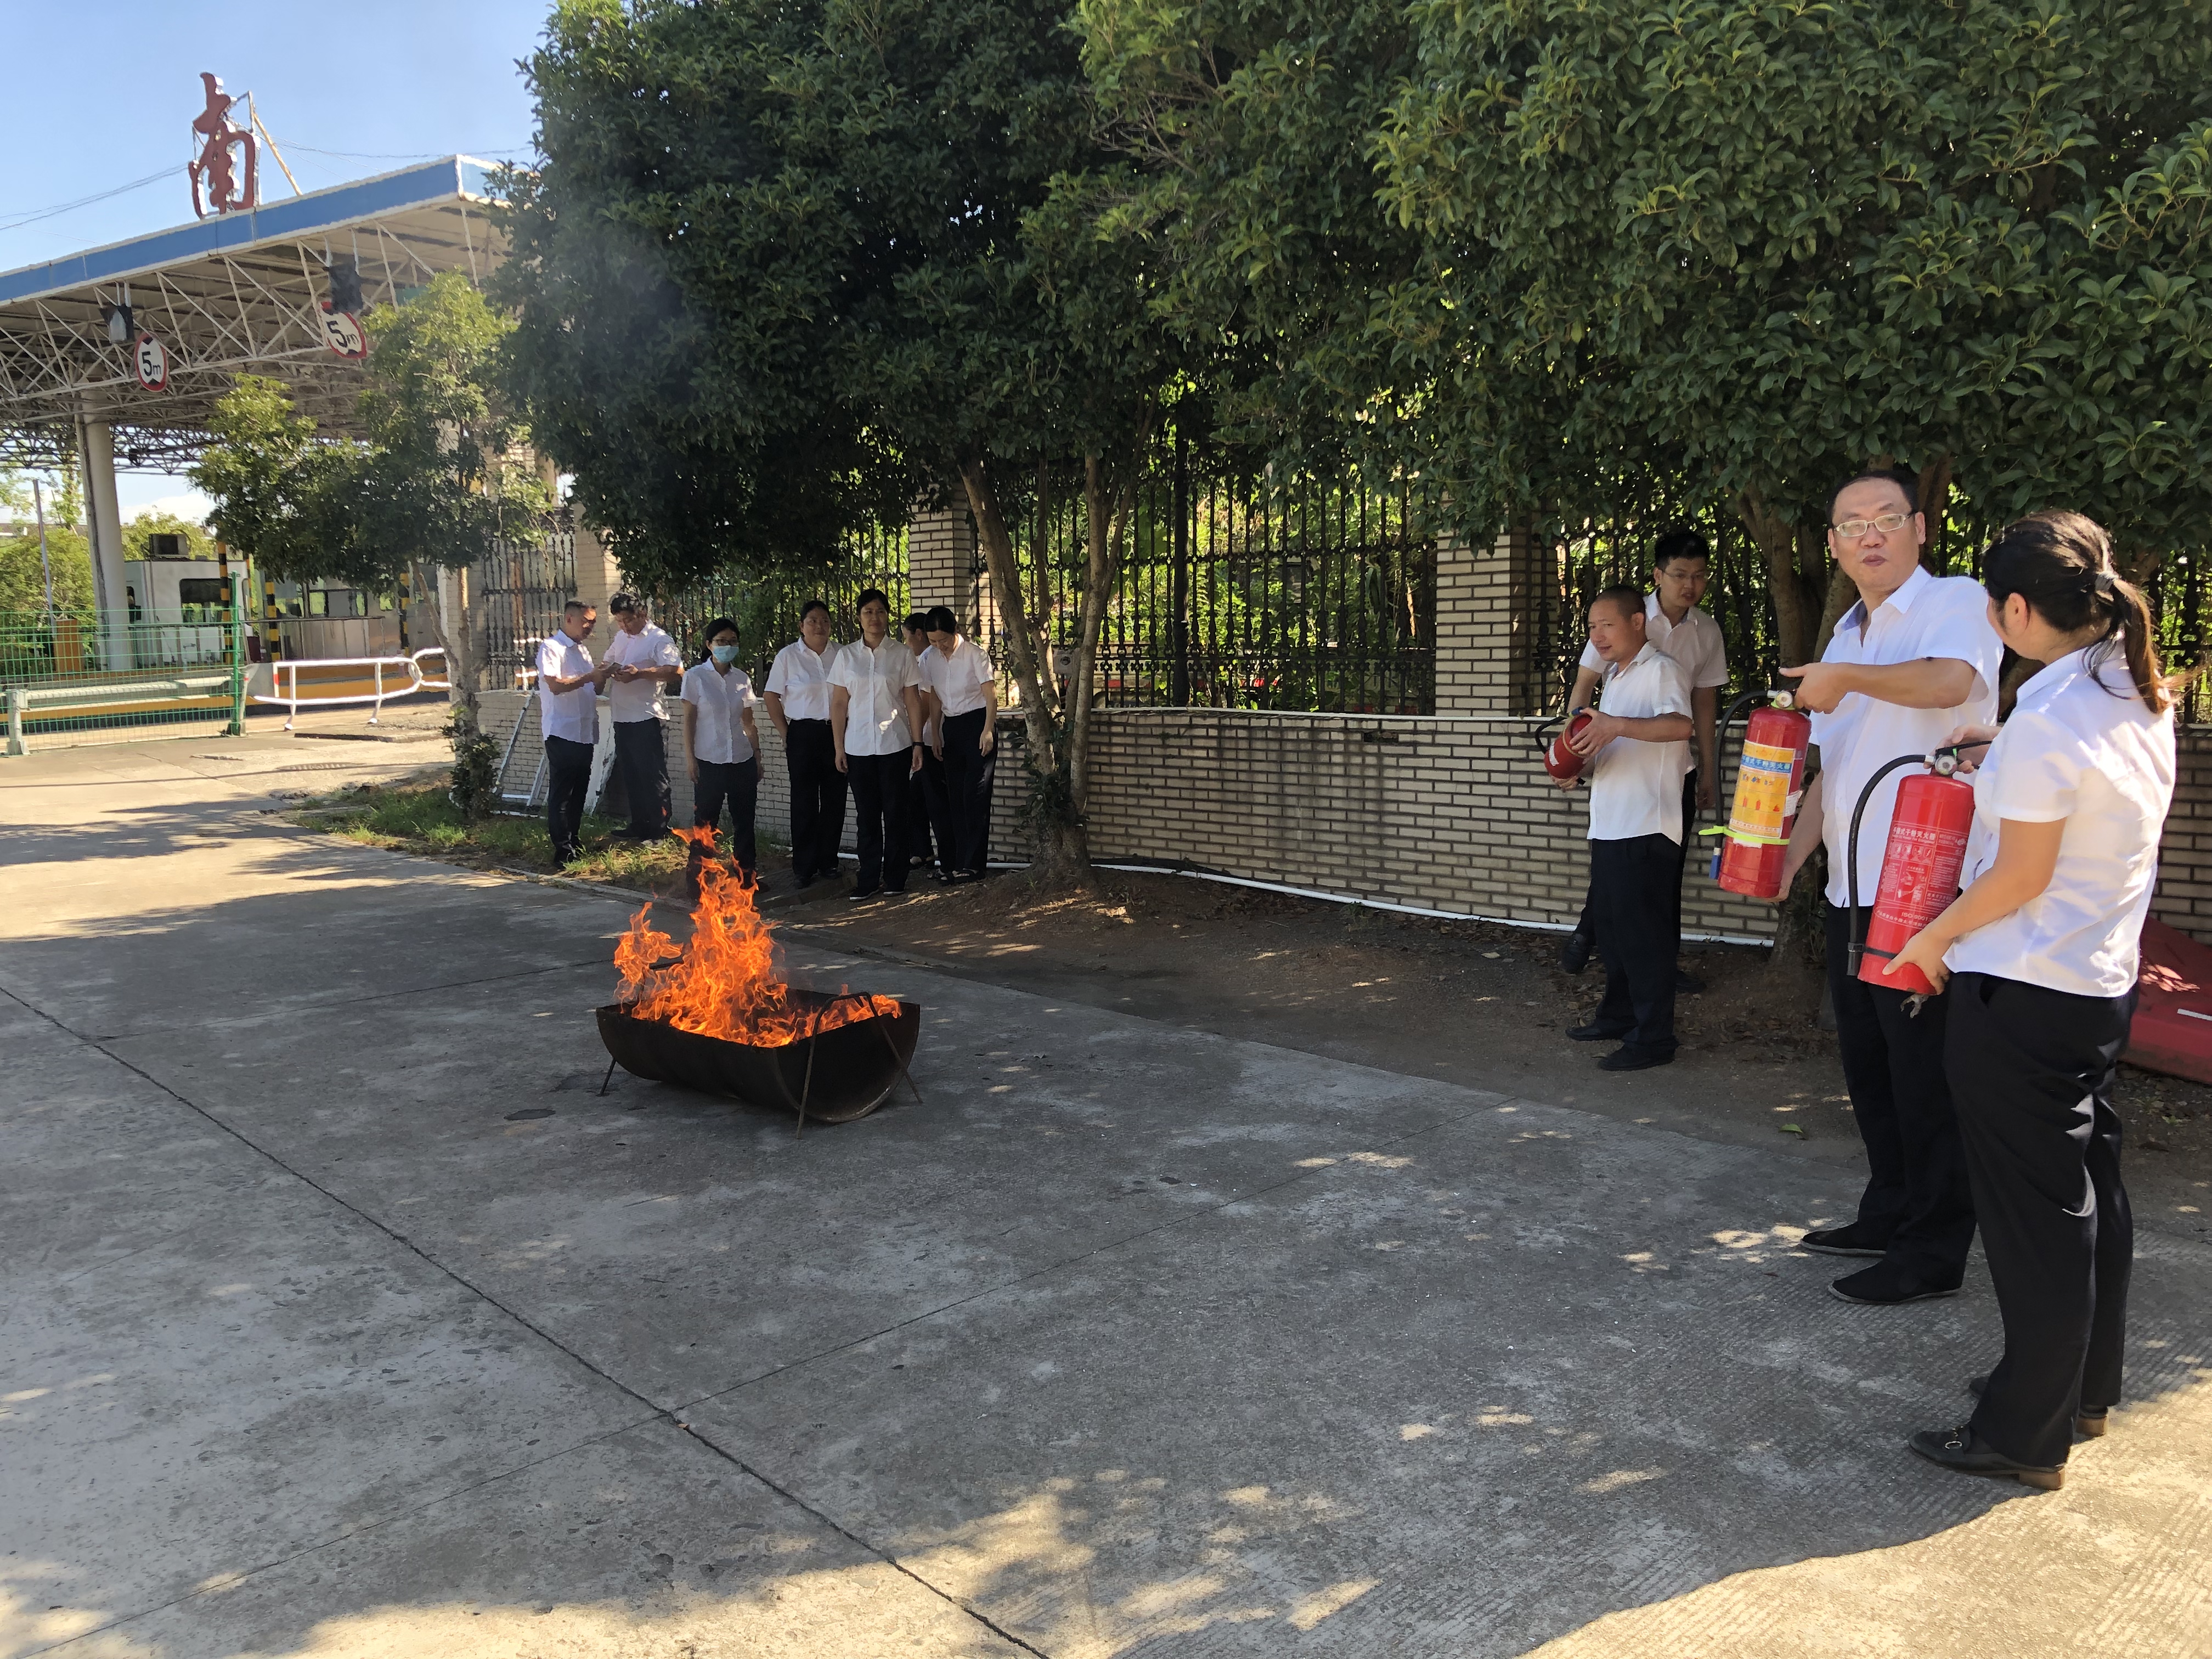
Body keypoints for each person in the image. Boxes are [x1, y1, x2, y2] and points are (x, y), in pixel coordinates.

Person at [1878, 512, 2175, 1490]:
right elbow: (2068, 791)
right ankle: (2082, 1387)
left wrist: (1932, 936)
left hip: (2021, 988)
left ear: (2013, 608)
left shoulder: (2048, 720)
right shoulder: (2134, 690)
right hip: (2095, 981)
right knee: (2088, 1187)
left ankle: (2022, 1428)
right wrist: (1995, 745)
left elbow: (2020, 872)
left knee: (2035, 1217)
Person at [1773, 465, 2004, 1306]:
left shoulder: (1956, 602)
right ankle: (1889, 1209)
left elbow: (1953, 685)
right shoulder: (1845, 635)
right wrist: (1793, 860)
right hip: (1853, 888)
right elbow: (1833, 768)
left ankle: (1934, 1250)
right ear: (1834, 544)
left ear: (1920, 527)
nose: (1869, 535)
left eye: (1885, 518)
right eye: (1851, 524)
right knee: (1870, 1066)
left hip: (1925, 888)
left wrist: (1851, 682)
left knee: (1923, 1074)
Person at [1559, 531, 1728, 985]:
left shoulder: (1706, 631)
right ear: (1658, 575)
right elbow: (1583, 690)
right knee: (1619, 868)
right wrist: (1574, 748)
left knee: (1660, 874)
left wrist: (1709, 770)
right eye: (1678, 575)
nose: (1689, 585)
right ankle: (1593, 943)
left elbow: (1703, 707)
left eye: (1698, 576)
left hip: (1674, 769)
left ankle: (1657, 970)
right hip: (1623, 768)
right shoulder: (1620, 619)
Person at [1555, 586, 1695, 1071]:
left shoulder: (1662, 670)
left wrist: (1616, 725)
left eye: (1606, 625)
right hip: (1611, 824)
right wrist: (1580, 769)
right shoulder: (1614, 678)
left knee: (1644, 938)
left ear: (1638, 621)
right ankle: (1617, 1016)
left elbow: (1681, 726)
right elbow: (1613, 746)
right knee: (1613, 935)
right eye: (1592, 627)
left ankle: (1654, 1039)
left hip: (1647, 826)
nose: (1597, 636)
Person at [829, 588, 926, 901]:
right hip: (857, 748)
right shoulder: (847, 656)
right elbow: (840, 703)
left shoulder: (901, 654)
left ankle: (896, 878)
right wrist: (839, 747)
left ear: (888, 616)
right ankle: (868, 878)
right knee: (867, 815)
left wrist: (917, 742)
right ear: (859, 617)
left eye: (881, 611)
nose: (875, 617)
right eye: (868, 611)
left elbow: (912, 700)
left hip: (894, 745)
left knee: (896, 813)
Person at [764, 600, 845, 889]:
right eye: (813, 621)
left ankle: (829, 862)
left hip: (836, 734)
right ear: (802, 626)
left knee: (835, 800)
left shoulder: (842, 654)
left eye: (824, 620)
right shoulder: (788, 657)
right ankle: (804, 867)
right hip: (802, 734)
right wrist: (785, 732)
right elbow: (771, 696)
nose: (819, 626)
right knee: (804, 802)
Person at [680, 616, 764, 884]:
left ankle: (746, 878)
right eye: (721, 642)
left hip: (741, 759)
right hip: (709, 761)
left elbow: (748, 721)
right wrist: (690, 759)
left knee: (744, 824)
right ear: (709, 644)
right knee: (706, 825)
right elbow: (689, 719)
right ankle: (699, 881)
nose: (727, 646)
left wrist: (757, 755)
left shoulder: (742, 678)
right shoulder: (695, 677)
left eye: (732, 642)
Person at [535, 599, 616, 865]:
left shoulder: (582, 651)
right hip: (562, 730)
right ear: (569, 619)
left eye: (593, 622)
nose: (590, 627)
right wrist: (590, 677)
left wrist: (602, 676)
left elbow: (594, 690)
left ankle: (574, 838)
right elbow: (556, 686)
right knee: (562, 793)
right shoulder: (552, 648)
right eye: (586, 622)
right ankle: (562, 849)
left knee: (580, 790)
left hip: (585, 731)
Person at [923, 605, 998, 882]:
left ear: (955, 631)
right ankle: (954, 862)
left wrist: (988, 730)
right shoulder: (930, 658)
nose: (939, 646)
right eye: (933, 641)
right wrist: (935, 733)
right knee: (955, 797)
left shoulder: (975, 655)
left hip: (978, 723)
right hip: (951, 727)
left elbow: (991, 696)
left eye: (943, 640)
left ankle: (974, 865)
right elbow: (934, 698)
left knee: (974, 796)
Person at [600, 591, 683, 841]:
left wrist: (639, 674)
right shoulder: (621, 637)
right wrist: (612, 670)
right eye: (619, 621)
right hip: (623, 717)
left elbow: (675, 670)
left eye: (628, 620)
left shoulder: (658, 639)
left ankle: (660, 829)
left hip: (646, 716)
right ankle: (638, 824)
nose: (625, 626)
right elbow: (607, 662)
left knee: (652, 775)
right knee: (632, 775)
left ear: (642, 614)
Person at [901, 612, 956, 882]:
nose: (906, 644)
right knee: (916, 798)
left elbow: (924, 702)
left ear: (918, 635)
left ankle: (947, 861)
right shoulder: (934, 658)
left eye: (906, 638)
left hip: (932, 742)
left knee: (937, 803)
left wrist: (916, 741)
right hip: (935, 740)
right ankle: (922, 851)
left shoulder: (927, 660)